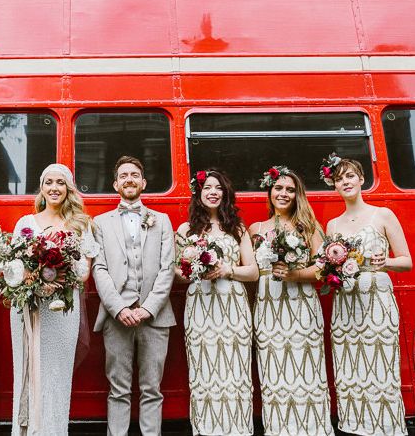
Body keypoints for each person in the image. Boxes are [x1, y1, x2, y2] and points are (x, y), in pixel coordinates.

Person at [324, 156, 412, 436]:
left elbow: (407, 261)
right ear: (334, 186)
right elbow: (329, 270)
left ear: (362, 179)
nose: (345, 182)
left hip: (377, 300)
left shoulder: (382, 214)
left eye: (350, 176)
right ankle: (357, 428)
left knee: (380, 367)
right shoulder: (332, 225)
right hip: (346, 303)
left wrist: (384, 262)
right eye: (339, 179)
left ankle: (386, 428)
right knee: (351, 369)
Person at [10, 163, 96, 436]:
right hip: (29, 309)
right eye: (49, 182)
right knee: (27, 369)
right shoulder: (26, 224)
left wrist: (57, 276)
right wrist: (34, 278)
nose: (54, 188)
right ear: (42, 187)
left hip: (61, 311)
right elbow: (12, 268)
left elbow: (84, 272)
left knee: (56, 374)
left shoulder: (80, 224)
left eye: (60, 183)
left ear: (68, 188)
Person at [92, 156, 175, 436]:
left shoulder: (162, 221)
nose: (129, 179)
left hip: (155, 317)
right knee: (118, 389)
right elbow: (99, 268)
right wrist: (118, 308)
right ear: (116, 184)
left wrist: (148, 308)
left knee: (152, 388)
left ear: (143, 182)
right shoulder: (100, 223)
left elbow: (168, 268)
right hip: (117, 318)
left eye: (135, 175)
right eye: (124, 175)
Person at [251, 166, 334, 436]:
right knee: (274, 373)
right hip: (268, 309)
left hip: (302, 308)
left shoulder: (308, 226)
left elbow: (323, 268)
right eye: (278, 188)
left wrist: (294, 274)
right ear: (270, 192)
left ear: (297, 195)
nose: (283, 194)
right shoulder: (256, 228)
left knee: (306, 371)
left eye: (290, 189)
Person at [176, 169, 258, 436]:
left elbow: (253, 272)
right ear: (198, 194)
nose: (213, 192)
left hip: (233, 307)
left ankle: (237, 429)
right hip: (200, 305)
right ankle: (206, 429)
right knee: (203, 370)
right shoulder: (186, 230)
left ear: (225, 194)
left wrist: (227, 270)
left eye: (218, 188)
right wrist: (192, 270)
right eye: (207, 187)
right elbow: (176, 273)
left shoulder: (238, 229)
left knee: (235, 371)